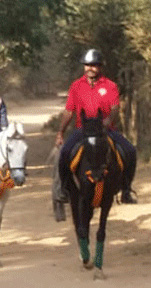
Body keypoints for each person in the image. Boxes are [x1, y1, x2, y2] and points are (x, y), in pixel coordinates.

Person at [55, 48, 138, 204]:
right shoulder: (76, 86)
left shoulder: (110, 86)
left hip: (105, 130)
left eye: (94, 65)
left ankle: (126, 189)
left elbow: (115, 108)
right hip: (82, 130)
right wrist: (61, 132)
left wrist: (107, 121)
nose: (90, 68)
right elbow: (69, 111)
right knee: (65, 153)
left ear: (100, 67)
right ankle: (64, 189)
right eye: (87, 65)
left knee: (130, 151)